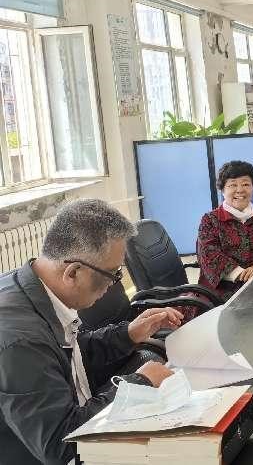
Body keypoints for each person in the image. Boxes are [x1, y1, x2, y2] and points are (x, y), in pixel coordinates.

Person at [0, 199, 181, 465]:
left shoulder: (32, 285)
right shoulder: (21, 341)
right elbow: (62, 445)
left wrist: (129, 334)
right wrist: (139, 384)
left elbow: (69, 351)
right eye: (114, 274)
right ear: (73, 272)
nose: (115, 284)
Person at [197, 160, 253, 297]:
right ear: (223, 190)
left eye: (245, 184)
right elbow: (209, 256)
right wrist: (243, 274)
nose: (239, 190)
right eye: (232, 185)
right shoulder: (210, 220)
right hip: (222, 292)